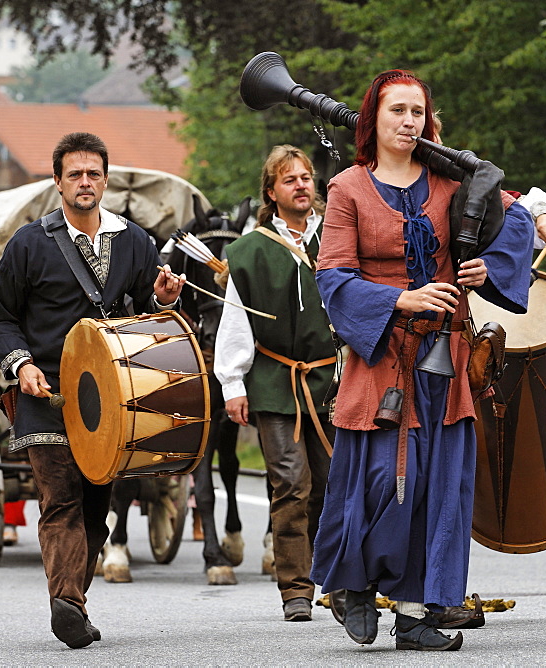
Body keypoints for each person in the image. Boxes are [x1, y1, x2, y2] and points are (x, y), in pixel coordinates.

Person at [309, 69, 533, 652]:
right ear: (372, 121)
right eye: (397, 111)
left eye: (418, 111)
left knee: (437, 486)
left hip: (445, 357)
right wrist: (399, 298)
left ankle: (414, 613)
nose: (409, 121)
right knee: (380, 477)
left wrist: (487, 268)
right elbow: (332, 275)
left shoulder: (452, 185)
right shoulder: (347, 188)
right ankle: (351, 586)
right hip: (380, 352)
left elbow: (519, 218)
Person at [0, 132, 184, 649]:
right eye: (75, 174)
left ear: (106, 180)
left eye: (94, 173)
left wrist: (161, 300)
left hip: (110, 398)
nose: (85, 182)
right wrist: (21, 364)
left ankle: (72, 600)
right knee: (61, 498)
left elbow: (147, 325)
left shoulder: (136, 242)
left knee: (97, 506)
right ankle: (68, 603)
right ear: (57, 181)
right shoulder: (29, 243)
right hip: (45, 393)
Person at [213, 144, 336, 622]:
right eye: (290, 179)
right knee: (290, 484)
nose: (302, 185)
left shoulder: (339, 238)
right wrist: (232, 384)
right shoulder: (248, 253)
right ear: (272, 192)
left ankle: (340, 582)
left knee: (335, 484)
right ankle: (296, 590)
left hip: (333, 378)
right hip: (274, 379)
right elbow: (235, 324)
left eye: (306, 177)